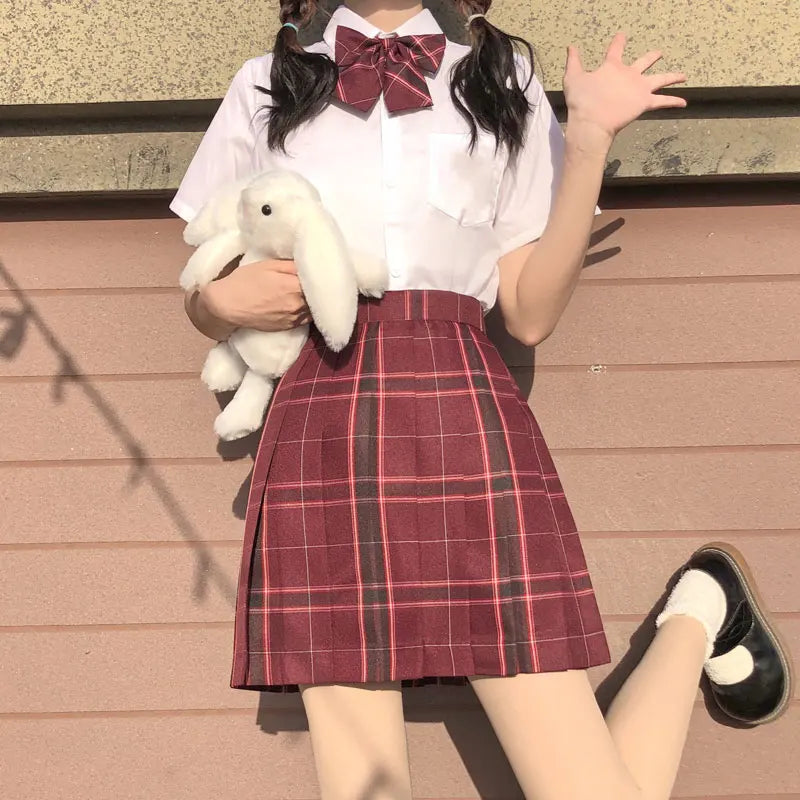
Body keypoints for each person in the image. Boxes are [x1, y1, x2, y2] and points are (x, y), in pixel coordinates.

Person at [171, 2, 793, 798]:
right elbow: (205, 284)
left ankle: (696, 614)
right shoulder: (265, 85)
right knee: (365, 789)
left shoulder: (501, 79)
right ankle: (705, 603)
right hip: (323, 419)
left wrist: (589, 141)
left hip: (460, 405)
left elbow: (528, 313)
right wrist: (220, 304)